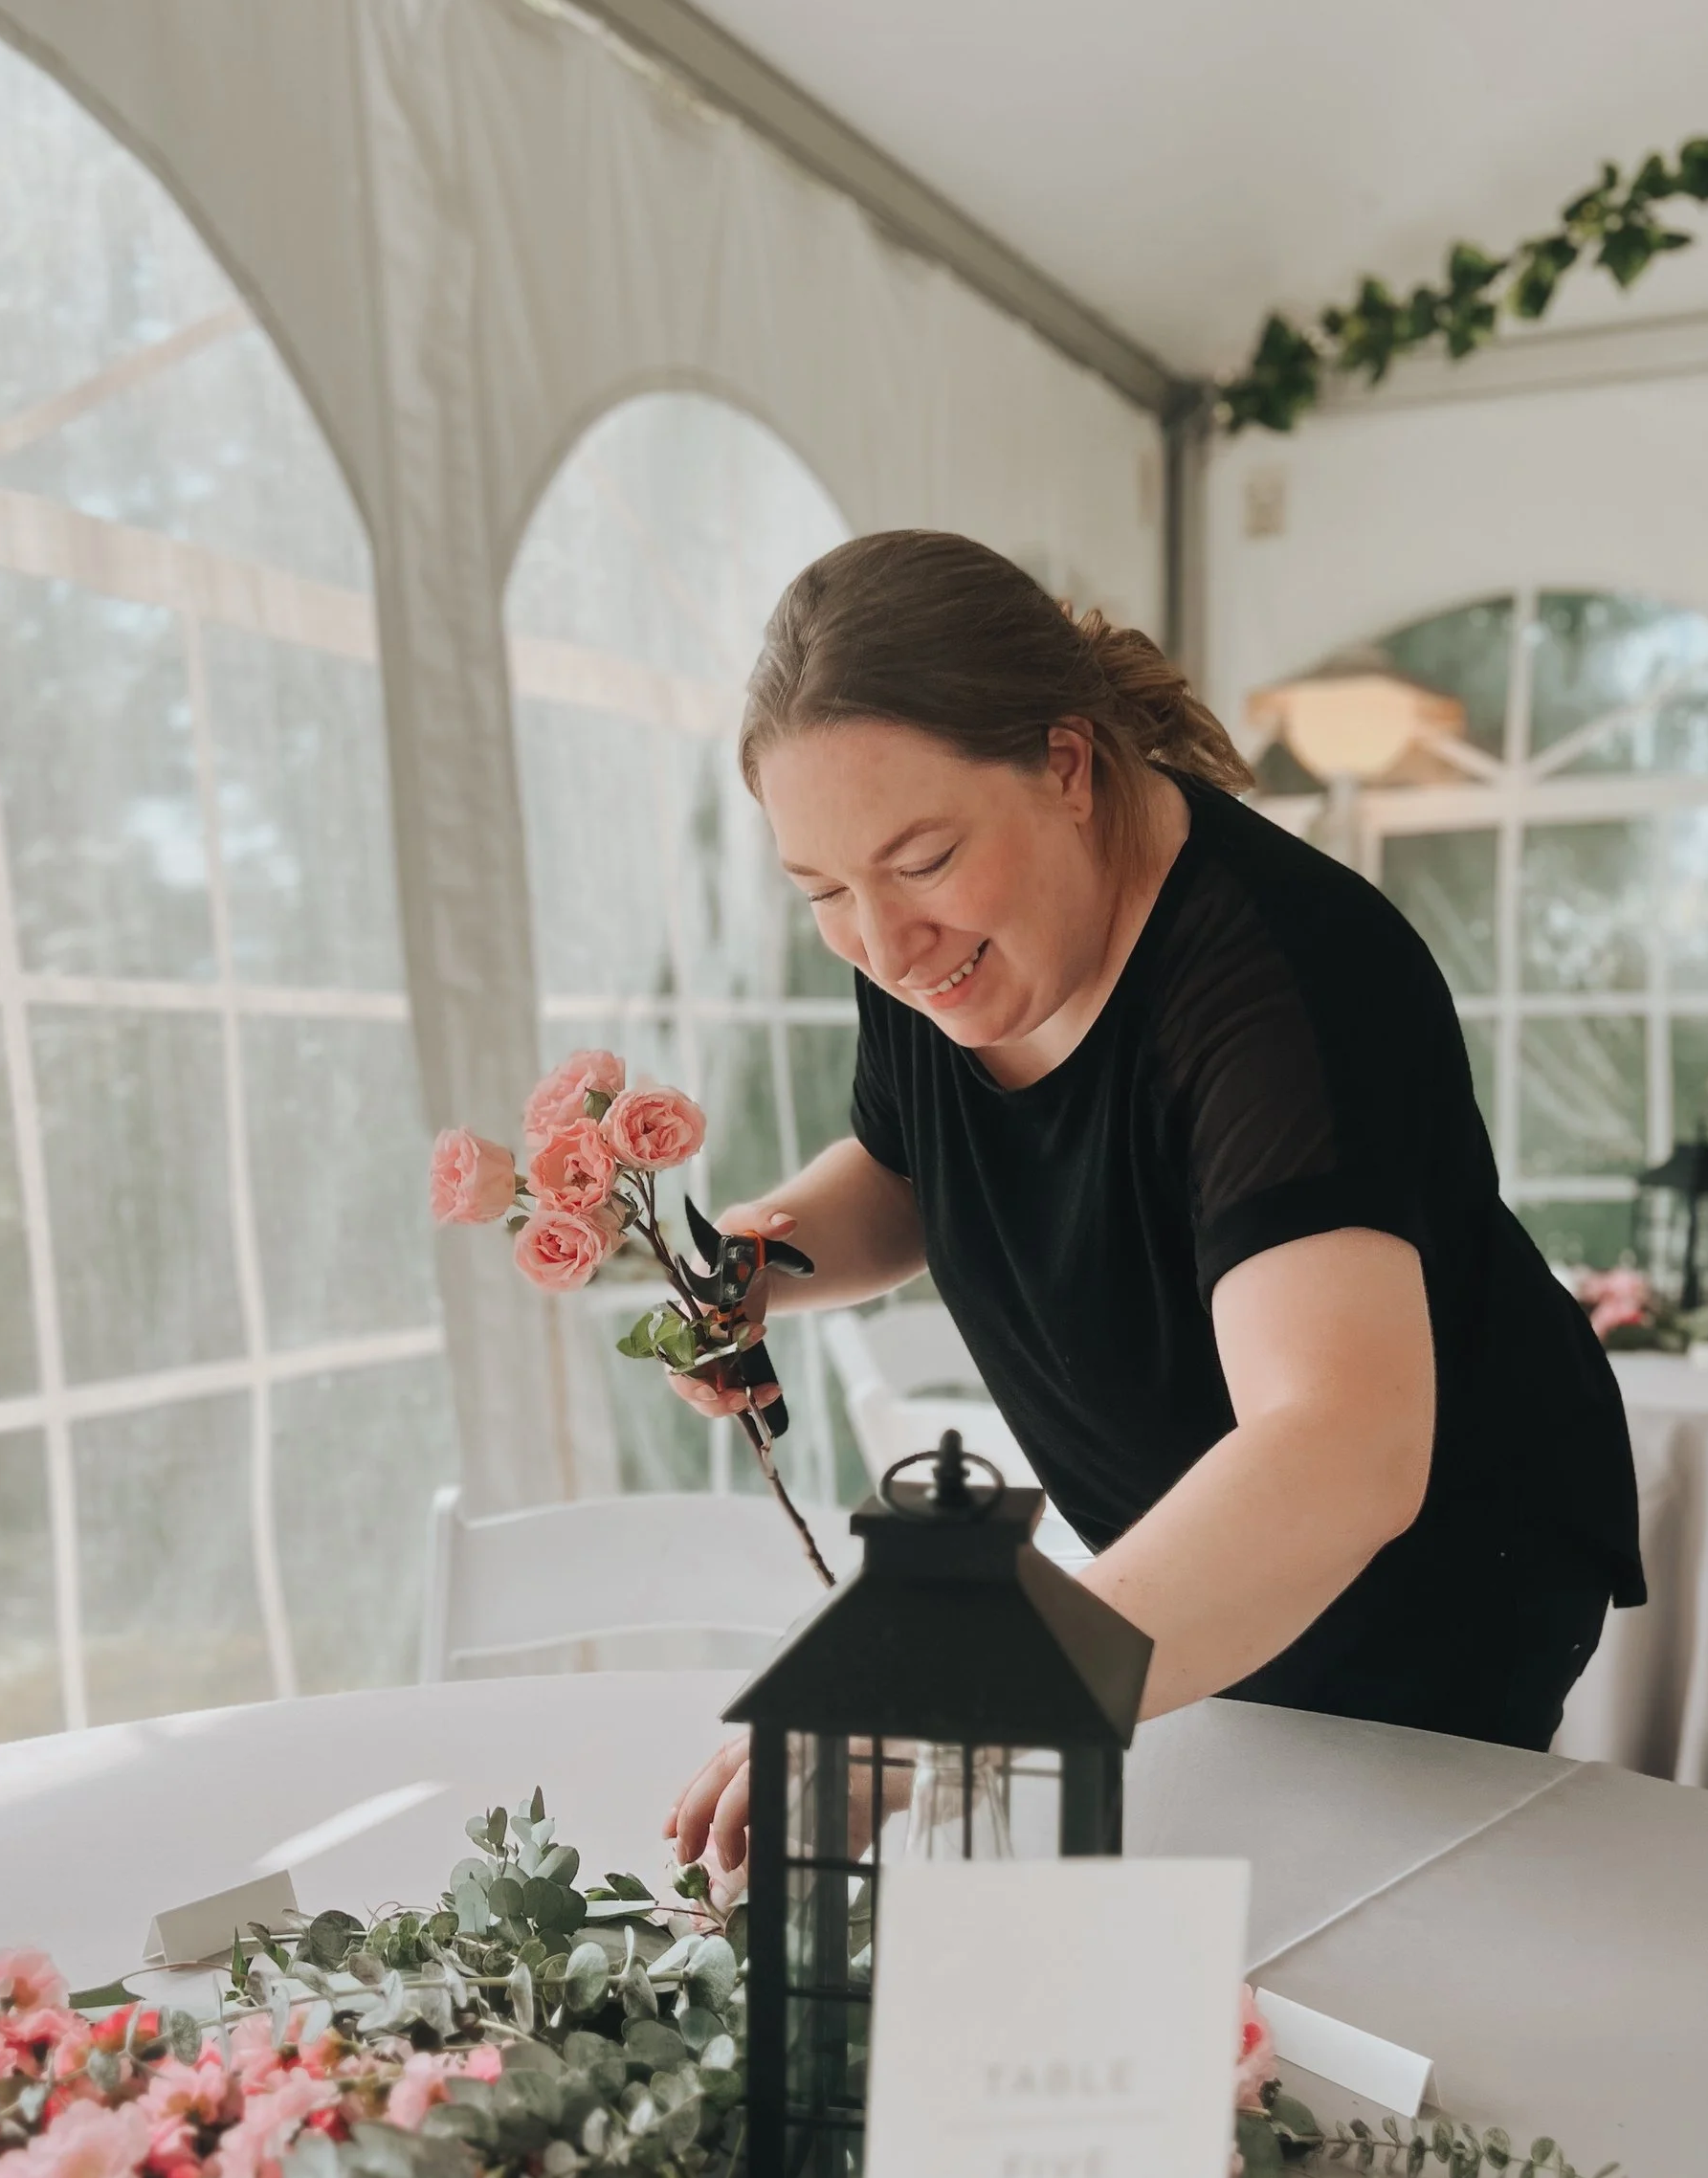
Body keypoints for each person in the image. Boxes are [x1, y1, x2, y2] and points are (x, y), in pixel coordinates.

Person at [666, 530, 1641, 1878]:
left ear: (1066, 767)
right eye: (823, 891)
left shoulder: (1288, 982)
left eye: (925, 860)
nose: (886, 948)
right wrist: (745, 1264)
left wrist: (931, 1706)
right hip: (1179, 1547)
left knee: (1361, 1960)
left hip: (1425, 1581)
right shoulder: (924, 944)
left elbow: (1337, 1452)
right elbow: (906, 1170)